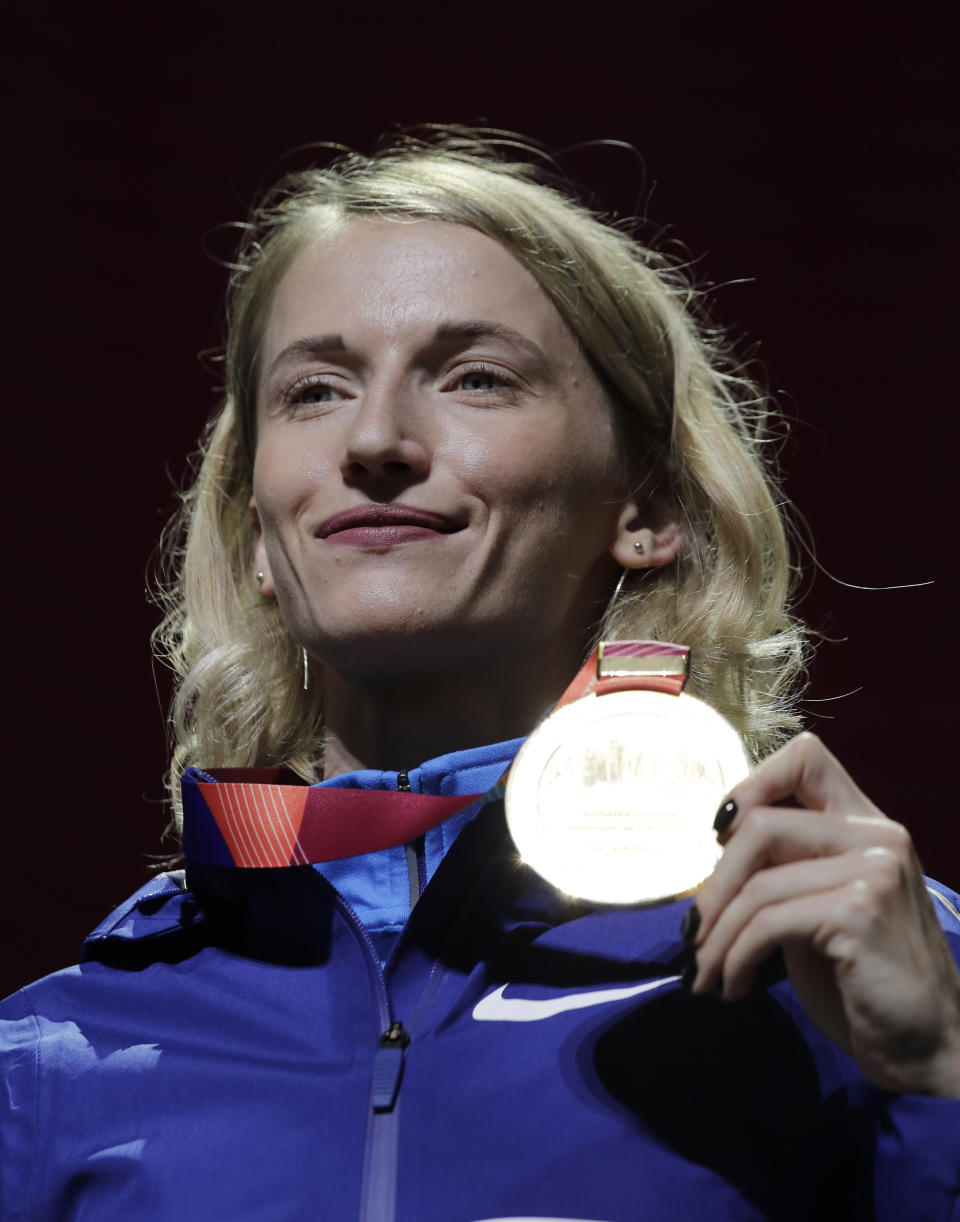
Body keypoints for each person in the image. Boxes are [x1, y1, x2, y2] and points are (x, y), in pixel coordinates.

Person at [2, 130, 959, 1222]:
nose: (376, 440)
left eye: (476, 377)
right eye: (315, 389)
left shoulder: (852, 953)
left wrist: (936, 1075)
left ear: (647, 509)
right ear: (258, 533)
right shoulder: (51, 1065)